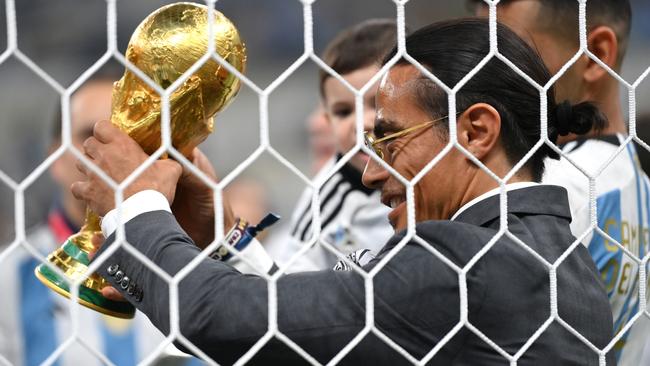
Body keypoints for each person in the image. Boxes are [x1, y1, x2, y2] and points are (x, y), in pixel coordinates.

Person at [71, 19, 614, 364]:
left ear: (476, 131)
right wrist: (223, 240)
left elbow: (224, 321)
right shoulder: (562, 257)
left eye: (388, 139)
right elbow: (327, 328)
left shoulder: (464, 262)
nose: (370, 173)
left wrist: (135, 202)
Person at [468, 0, 648, 363]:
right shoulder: (638, 183)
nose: (481, 75)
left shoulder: (549, 191)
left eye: (507, 52)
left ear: (595, 55)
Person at [0, 72, 169, 366]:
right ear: (55, 156)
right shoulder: (9, 276)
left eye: (131, 137)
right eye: (89, 136)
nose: (109, 153)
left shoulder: (191, 268)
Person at [273, 19, 396, 271]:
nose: (360, 123)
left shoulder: (446, 166)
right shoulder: (326, 197)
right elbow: (289, 281)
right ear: (327, 120)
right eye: (343, 112)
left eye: (376, 103)